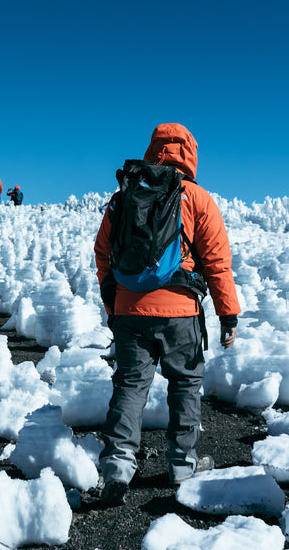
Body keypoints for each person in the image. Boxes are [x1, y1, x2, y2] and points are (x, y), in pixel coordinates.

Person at [91, 123, 240, 505]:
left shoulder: (125, 195)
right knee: (186, 383)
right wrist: (228, 315)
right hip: (181, 311)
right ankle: (181, 463)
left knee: (130, 385)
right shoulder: (198, 198)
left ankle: (119, 464)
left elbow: (103, 252)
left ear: (152, 150)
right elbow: (217, 263)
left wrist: (115, 305)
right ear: (190, 154)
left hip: (129, 310)